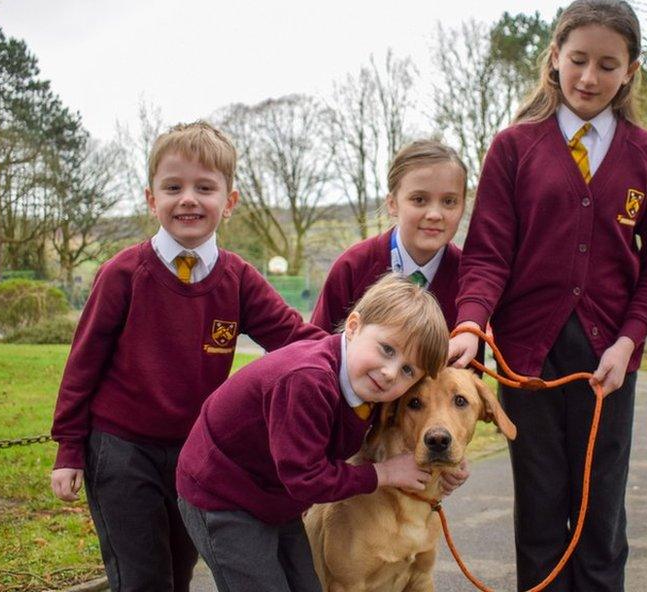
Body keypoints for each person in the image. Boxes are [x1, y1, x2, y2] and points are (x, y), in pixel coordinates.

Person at [448, 0, 647, 592]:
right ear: (554, 58)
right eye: (578, 58)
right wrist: (472, 324)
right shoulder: (513, 148)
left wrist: (629, 344)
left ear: (631, 71)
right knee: (542, 516)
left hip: (609, 362)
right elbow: (488, 254)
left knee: (600, 517)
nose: (590, 76)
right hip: (527, 362)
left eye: (608, 64)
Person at [49, 121, 324, 592]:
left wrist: (360, 354)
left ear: (229, 202)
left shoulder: (239, 279)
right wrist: (69, 448)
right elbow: (83, 363)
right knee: (141, 578)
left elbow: (295, 338)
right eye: (173, 187)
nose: (188, 199)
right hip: (121, 449)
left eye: (205, 187)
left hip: (195, 455)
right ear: (152, 199)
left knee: (179, 574)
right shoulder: (123, 273)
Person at [176, 274, 448, 591]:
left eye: (407, 370)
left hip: (275, 494)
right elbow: (306, 479)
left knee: (308, 585)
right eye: (387, 349)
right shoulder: (308, 381)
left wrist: (445, 465)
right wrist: (382, 474)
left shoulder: (371, 387)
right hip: (222, 493)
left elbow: (403, 430)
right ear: (354, 326)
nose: (390, 373)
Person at [311, 139, 468, 333]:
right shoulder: (353, 267)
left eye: (449, 201)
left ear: (463, 206)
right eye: (419, 200)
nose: (435, 214)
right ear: (392, 204)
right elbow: (316, 347)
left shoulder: (469, 277)